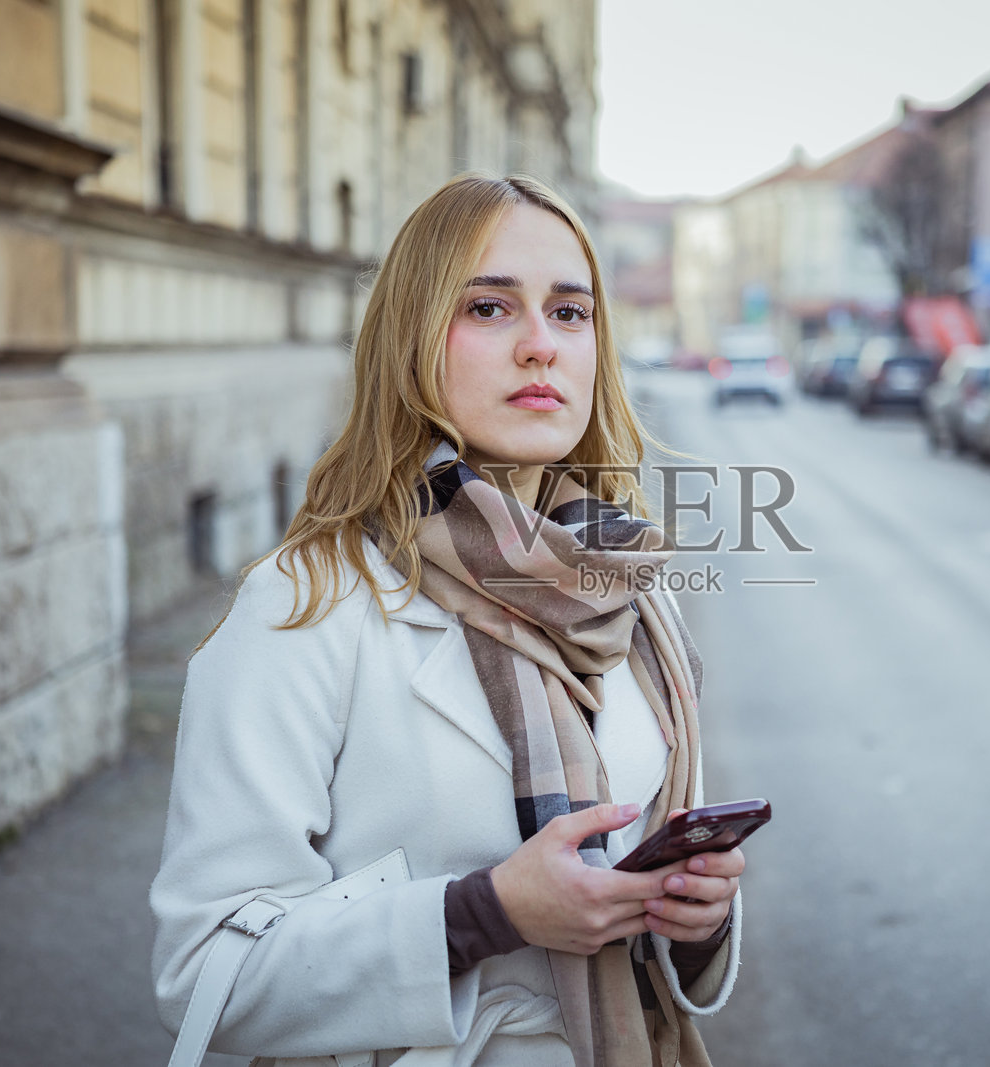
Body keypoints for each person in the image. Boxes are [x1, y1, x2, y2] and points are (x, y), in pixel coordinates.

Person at [149, 173, 744, 1067]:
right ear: (415, 337)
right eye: (491, 308)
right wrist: (487, 913)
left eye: (570, 313)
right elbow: (203, 976)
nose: (541, 346)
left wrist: (696, 922)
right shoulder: (306, 601)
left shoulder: (631, 589)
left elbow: (662, 908)